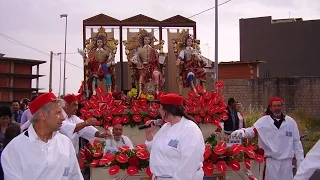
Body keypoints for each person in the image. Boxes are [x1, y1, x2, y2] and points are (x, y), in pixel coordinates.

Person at [1, 92, 84, 180]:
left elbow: (75, 176)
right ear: (42, 115)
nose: (63, 117)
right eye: (58, 112)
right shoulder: (14, 149)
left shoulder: (65, 143)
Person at [231, 97, 304, 180]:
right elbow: (253, 131)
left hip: (286, 164)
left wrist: (300, 161)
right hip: (271, 163)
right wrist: (243, 131)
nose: (277, 108)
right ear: (270, 108)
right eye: (275, 106)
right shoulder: (264, 121)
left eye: (279, 106)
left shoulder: (290, 122)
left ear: (282, 107)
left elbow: (297, 143)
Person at [144, 93, 205, 180]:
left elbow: (188, 164)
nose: (159, 111)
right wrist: (148, 133)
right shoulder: (166, 127)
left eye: (160, 108)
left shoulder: (190, 129)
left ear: (168, 110)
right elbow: (155, 153)